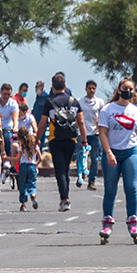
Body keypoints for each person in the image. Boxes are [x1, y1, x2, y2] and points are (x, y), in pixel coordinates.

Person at [96, 80, 137, 243]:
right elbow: (102, 133)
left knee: (131, 187)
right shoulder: (108, 110)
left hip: (130, 152)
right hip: (113, 152)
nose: (128, 91)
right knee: (110, 189)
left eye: (130, 89)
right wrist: (109, 152)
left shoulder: (136, 111)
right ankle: (107, 222)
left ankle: (132, 221)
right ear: (118, 90)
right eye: (125, 89)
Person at [41, 73, 85, 210]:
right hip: (71, 139)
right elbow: (81, 122)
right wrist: (84, 141)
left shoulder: (50, 103)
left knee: (60, 170)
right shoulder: (74, 102)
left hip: (55, 139)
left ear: (53, 87)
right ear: (65, 86)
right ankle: (66, 197)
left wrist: (37, 139)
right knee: (65, 168)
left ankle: (64, 199)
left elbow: (43, 124)